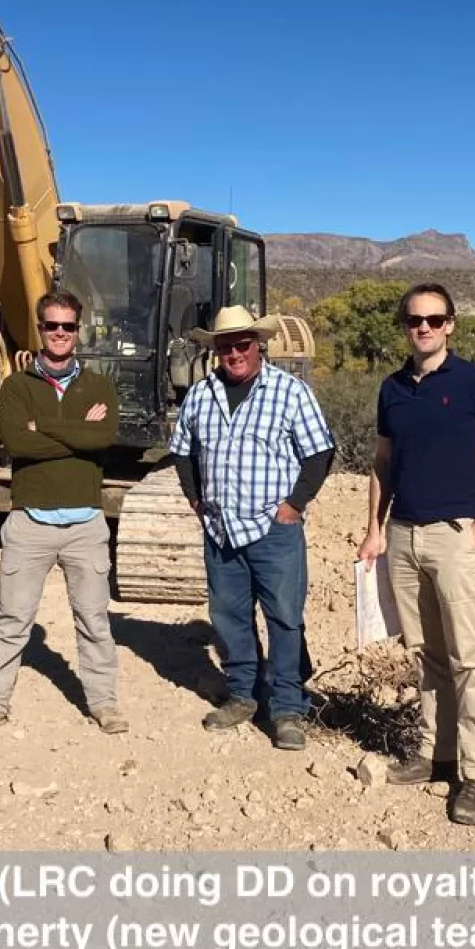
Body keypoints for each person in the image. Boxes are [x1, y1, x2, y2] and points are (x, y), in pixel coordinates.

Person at [356, 283, 475, 825]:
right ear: (403, 326)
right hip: (403, 535)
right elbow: (383, 462)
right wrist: (374, 529)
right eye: (413, 320)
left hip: (458, 536)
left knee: (469, 659)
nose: (422, 328)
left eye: (433, 319)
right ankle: (435, 754)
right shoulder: (393, 388)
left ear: (451, 324)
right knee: (426, 655)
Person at [168, 306, 335, 751]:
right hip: (221, 529)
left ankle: (286, 709)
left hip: (273, 530)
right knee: (230, 617)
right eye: (226, 346)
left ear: (258, 345)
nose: (235, 353)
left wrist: (293, 505)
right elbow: (182, 450)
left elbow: (319, 453)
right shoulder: (201, 395)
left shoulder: (290, 392)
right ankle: (243, 695)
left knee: (283, 618)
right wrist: (194, 498)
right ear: (216, 350)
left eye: (243, 344)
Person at [0, 290, 124, 737]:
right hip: (30, 522)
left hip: (85, 523)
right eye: (51, 325)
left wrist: (46, 427)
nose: (59, 333)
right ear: (40, 329)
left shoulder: (99, 385)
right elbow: (18, 444)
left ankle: (104, 702)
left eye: (68, 326)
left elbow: (103, 439)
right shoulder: (18, 386)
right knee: (13, 618)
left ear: (79, 331)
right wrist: (78, 430)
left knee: (93, 619)